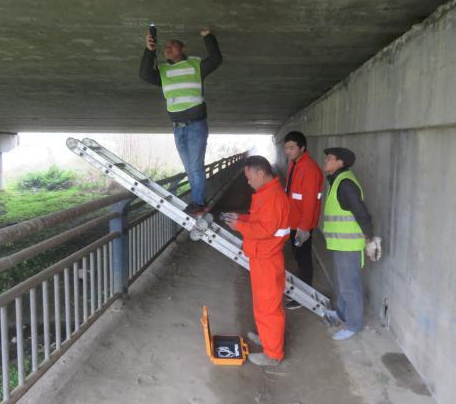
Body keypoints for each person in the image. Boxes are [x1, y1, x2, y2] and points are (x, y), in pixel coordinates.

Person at [139, 27, 222, 215]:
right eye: (165, 47)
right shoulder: (163, 71)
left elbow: (216, 59)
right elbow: (144, 74)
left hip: (196, 126)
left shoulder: (195, 65)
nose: (167, 48)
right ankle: (200, 202)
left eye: (172, 45)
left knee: (195, 167)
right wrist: (149, 50)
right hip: (178, 128)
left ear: (182, 48)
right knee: (190, 168)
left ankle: (199, 203)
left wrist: (208, 37)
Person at [226, 156, 290, 366]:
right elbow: (260, 221)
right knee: (263, 304)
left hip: (267, 258)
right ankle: (267, 337)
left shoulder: (272, 197)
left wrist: (240, 226)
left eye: (249, 176)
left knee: (269, 307)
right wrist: (241, 218)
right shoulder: (266, 193)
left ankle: (273, 354)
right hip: (263, 256)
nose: (248, 181)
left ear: (260, 173)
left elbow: (265, 229)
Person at [322, 147, 382, 340]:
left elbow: (362, 213)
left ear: (341, 162)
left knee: (350, 286)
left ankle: (353, 325)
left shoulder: (345, 183)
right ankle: (341, 313)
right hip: (340, 244)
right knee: (343, 283)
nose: (326, 161)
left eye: (330, 159)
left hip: (349, 246)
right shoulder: (337, 180)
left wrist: (369, 237)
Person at [282, 131, 324, 310]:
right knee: (299, 257)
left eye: (291, 148)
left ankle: (304, 297)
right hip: (293, 221)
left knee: (303, 259)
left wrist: (304, 229)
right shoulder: (295, 164)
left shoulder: (310, 169)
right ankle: (301, 292)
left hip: (301, 226)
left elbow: (309, 202)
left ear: (302, 148)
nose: (288, 151)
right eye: (286, 148)